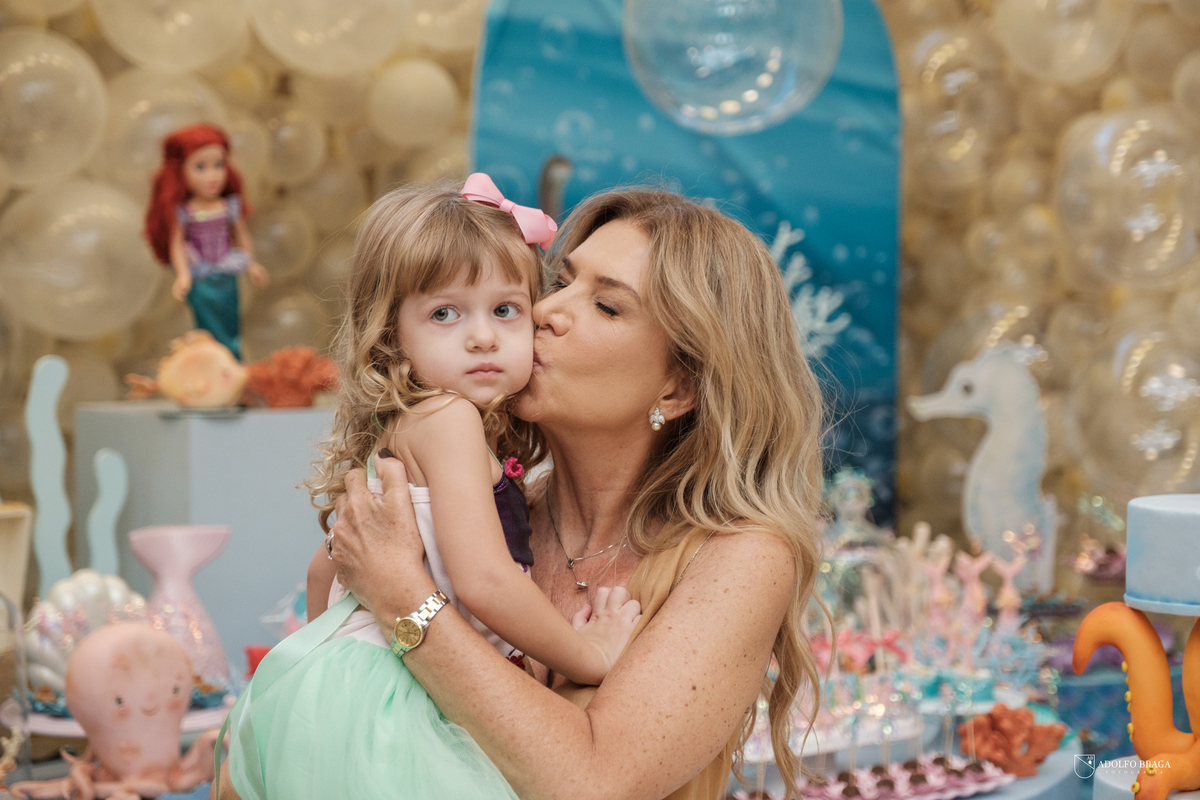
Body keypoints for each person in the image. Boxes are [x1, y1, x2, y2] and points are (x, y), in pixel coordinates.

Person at [309, 188, 828, 800]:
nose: (546, 310)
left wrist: (403, 597)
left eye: (606, 306)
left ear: (677, 389)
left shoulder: (740, 558)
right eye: (558, 281)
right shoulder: (494, 510)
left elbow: (593, 783)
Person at [217, 176, 642, 800]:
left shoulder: (409, 426)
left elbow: (323, 567)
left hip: (357, 685)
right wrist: (588, 653)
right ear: (393, 337)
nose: (483, 336)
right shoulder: (450, 420)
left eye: (506, 310)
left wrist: (323, 671)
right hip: (404, 691)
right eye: (445, 313)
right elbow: (484, 581)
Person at [145, 123, 269, 361]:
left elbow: (241, 236)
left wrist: (251, 264)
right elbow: (177, 244)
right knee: (206, 328)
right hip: (200, 278)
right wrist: (183, 275)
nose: (212, 175)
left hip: (226, 274)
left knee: (231, 323)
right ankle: (213, 366)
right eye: (200, 167)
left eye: (218, 165)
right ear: (180, 171)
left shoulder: (228, 205)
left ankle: (232, 365)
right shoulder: (185, 211)